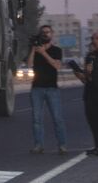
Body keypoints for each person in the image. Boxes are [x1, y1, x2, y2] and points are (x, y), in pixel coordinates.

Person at [27, 25, 67, 154]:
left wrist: (44, 53)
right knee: (36, 119)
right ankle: (39, 145)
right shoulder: (35, 49)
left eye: (47, 32)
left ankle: (62, 145)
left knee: (57, 118)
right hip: (36, 88)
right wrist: (34, 50)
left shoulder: (56, 50)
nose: (45, 34)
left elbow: (57, 66)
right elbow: (29, 64)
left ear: (52, 34)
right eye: (43, 33)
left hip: (51, 88)